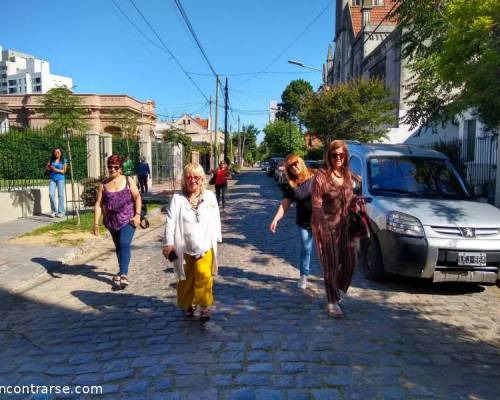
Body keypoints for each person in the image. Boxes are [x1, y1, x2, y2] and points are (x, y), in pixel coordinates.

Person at [162, 163, 222, 322]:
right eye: (189, 177)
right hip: (183, 246)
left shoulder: (209, 196)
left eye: (196, 177)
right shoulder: (177, 198)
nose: (193, 180)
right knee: (185, 278)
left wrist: (217, 237)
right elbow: (170, 221)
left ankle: (204, 307)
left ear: (202, 179)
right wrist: (169, 243)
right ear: (184, 179)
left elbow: (216, 218)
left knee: (204, 276)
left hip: (205, 244)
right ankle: (188, 304)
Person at [311, 140, 357, 318]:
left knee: (351, 262)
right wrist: (322, 227)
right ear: (328, 156)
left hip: (346, 226)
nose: (338, 158)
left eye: (341, 155)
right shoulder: (321, 176)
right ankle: (332, 302)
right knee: (331, 264)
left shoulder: (347, 174)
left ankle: (336, 291)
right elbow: (316, 204)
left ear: (345, 156)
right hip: (327, 225)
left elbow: (351, 197)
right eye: (334, 155)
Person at [93, 154, 142, 289]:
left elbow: (137, 197)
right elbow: (98, 204)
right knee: (118, 246)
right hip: (111, 220)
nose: (112, 170)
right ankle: (121, 271)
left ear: (120, 168)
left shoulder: (128, 180)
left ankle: (124, 274)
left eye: (115, 167)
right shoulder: (103, 185)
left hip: (128, 218)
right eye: (110, 167)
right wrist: (95, 223)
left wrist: (137, 215)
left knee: (124, 243)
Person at [270, 155, 315, 289]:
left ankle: (330, 277)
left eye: (296, 164)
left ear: (301, 162)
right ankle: (304, 275)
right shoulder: (291, 185)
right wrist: (276, 219)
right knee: (306, 248)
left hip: (321, 221)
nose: (294, 167)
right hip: (304, 221)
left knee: (325, 251)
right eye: (290, 167)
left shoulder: (315, 176)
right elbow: (284, 205)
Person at [45, 147, 68, 218]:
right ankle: (54, 211)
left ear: (61, 153)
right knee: (51, 194)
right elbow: (47, 168)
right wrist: (48, 167)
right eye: (55, 152)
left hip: (60, 179)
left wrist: (55, 169)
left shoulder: (64, 160)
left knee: (60, 195)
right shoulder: (51, 160)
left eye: (58, 152)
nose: (56, 153)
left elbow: (64, 171)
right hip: (52, 179)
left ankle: (61, 212)